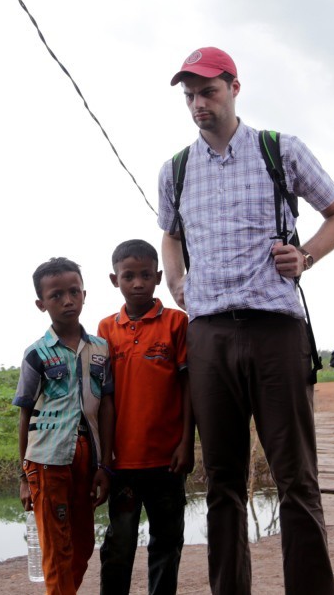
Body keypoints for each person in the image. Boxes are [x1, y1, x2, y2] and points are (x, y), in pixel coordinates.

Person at [157, 47, 334, 595]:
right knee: (222, 482)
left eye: (208, 91)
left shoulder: (279, 150)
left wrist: (306, 255)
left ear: (235, 88)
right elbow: (170, 234)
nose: (199, 104)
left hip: (275, 330)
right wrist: (176, 280)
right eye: (190, 95)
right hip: (210, 335)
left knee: (296, 477)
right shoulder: (175, 169)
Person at [14, 257, 114, 595]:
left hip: (88, 456)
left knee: (83, 545)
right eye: (56, 295)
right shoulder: (36, 354)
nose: (67, 300)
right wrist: (24, 476)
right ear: (41, 304)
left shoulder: (100, 349)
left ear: (84, 294)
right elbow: (25, 414)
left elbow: (107, 407)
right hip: (46, 459)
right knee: (57, 549)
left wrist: (105, 465)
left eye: (74, 292)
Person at [95, 240, 191, 595]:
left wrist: (187, 443)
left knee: (166, 542)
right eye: (129, 276)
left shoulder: (177, 323)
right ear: (114, 280)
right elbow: (103, 398)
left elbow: (188, 387)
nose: (138, 283)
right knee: (118, 544)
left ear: (158, 277)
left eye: (146, 275)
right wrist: (104, 458)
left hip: (167, 461)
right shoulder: (106, 329)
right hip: (122, 462)